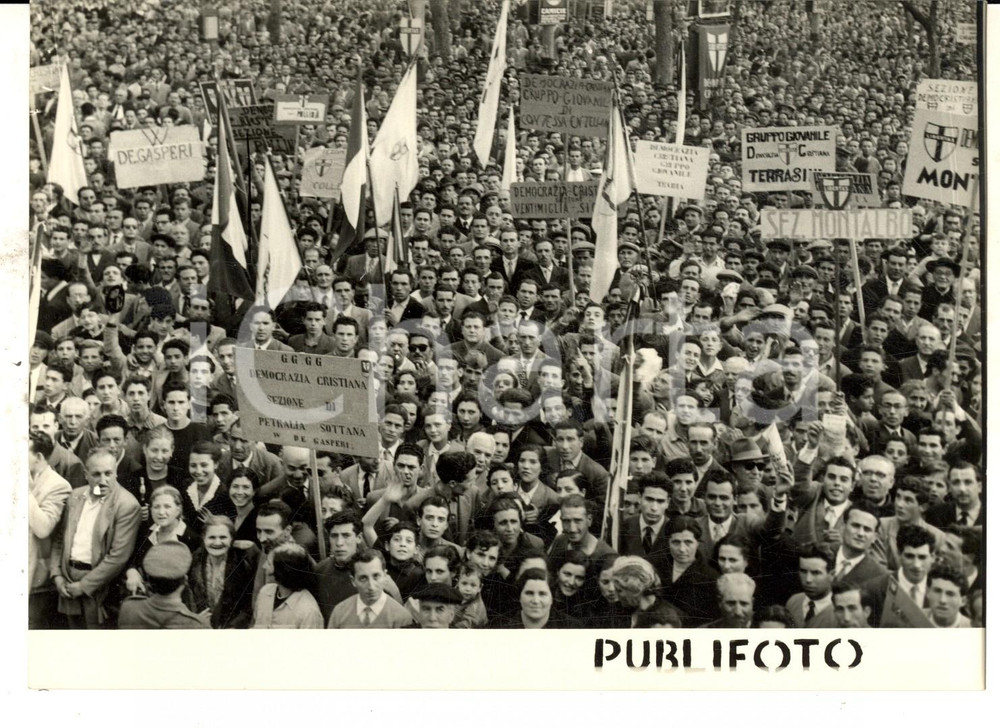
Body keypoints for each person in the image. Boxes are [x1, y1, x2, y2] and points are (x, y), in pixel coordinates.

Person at [50, 448, 141, 628]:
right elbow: (60, 539)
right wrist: (57, 575)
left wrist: (84, 586)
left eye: (108, 473)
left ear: (116, 472)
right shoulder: (75, 496)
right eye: (96, 474)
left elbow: (117, 557)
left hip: (99, 588)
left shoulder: (127, 505)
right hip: (67, 581)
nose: (103, 480)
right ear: (86, 474)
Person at [28, 431, 72, 629]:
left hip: (36, 578)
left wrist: (24, 491)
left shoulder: (58, 485)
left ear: (38, 457)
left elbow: (43, 528)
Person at [185, 515, 259, 629]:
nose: (217, 542)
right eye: (212, 537)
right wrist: (196, 619)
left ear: (231, 539)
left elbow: (249, 605)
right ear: (204, 538)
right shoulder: (194, 560)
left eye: (223, 537)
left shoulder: (243, 562)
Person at [118, 542, 209, 629]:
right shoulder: (197, 625)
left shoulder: (128, 607)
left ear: (150, 580)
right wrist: (195, 622)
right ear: (185, 580)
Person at [327, 549, 414, 629]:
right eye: (363, 578)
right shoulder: (339, 613)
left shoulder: (402, 618)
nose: (371, 586)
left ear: (385, 576)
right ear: (353, 581)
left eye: (376, 576)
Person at [253, 543, 323, 629]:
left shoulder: (309, 610)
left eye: (268, 563)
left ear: (282, 570)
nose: (264, 566)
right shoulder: (265, 592)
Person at [493, 568, 580, 629]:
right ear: (519, 597)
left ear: (552, 598)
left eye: (542, 594)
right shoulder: (499, 626)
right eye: (529, 593)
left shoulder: (572, 627)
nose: (535, 600)